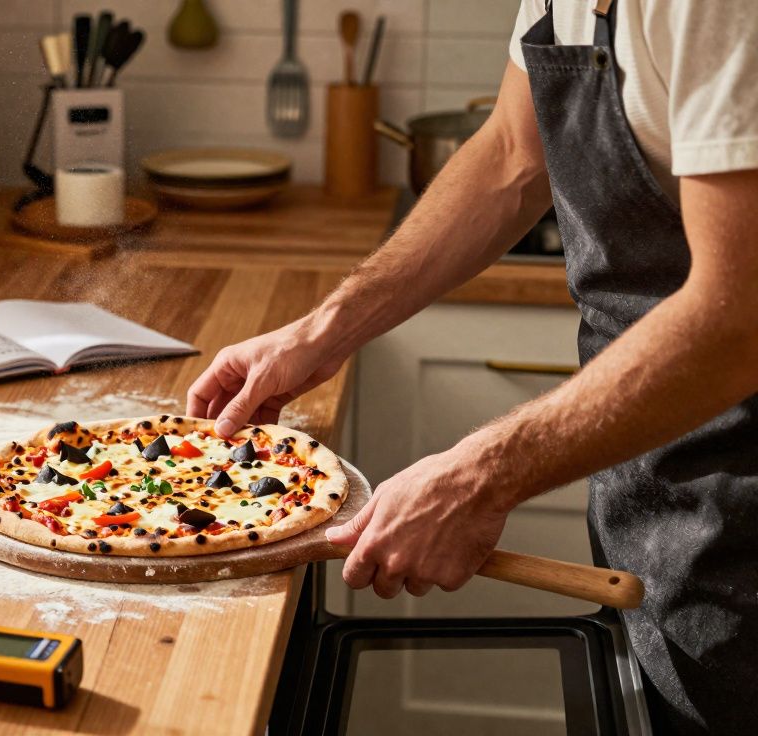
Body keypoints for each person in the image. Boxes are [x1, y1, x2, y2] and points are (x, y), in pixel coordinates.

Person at [186, 0, 758, 732]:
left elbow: (737, 321)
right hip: (650, 478)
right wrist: (321, 333)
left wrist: (477, 476)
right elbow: (512, 156)